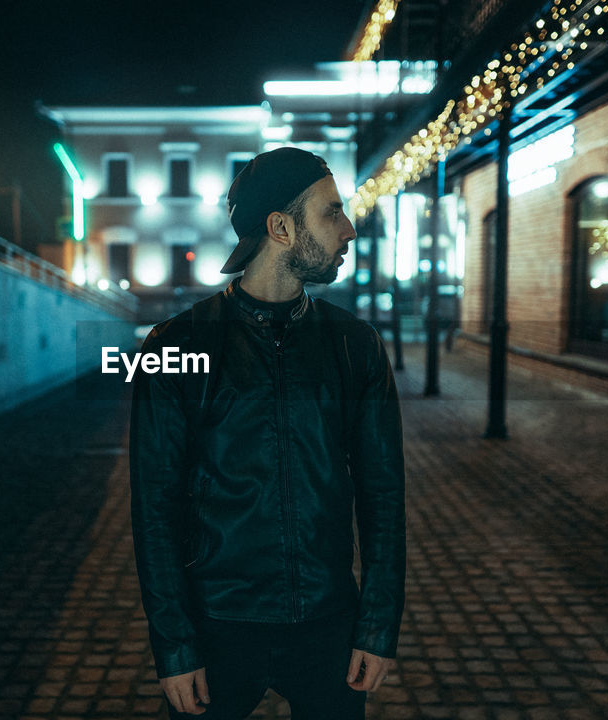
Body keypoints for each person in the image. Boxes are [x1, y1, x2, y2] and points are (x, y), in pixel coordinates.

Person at [129, 147, 406, 719]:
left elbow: (384, 496)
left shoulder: (355, 346)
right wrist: (176, 643)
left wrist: (377, 625)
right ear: (280, 227)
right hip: (219, 627)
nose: (349, 229)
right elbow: (154, 506)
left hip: (329, 625)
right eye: (332, 213)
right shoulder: (175, 347)